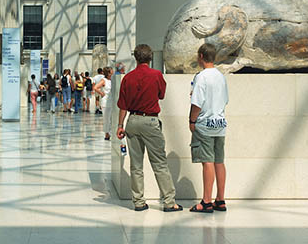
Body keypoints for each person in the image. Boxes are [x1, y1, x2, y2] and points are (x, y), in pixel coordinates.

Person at [116, 44, 182, 212]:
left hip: (132, 121)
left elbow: (123, 105)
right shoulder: (156, 75)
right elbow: (161, 94)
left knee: (136, 165)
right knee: (159, 163)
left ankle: (138, 202)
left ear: (136, 58)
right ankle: (169, 202)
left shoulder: (128, 78)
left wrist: (119, 125)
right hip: (150, 122)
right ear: (150, 58)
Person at [188, 43, 228, 213]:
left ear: (201, 57)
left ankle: (206, 201)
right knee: (219, 161)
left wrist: (192, 120)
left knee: (208, 162)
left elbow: (196, 103)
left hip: (205, 124)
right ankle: (220, 199)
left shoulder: (202, 77)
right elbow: (225, 99)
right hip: (220, 124)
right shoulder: (221, 76)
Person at [96, 67, 113, 140]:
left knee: (112, 119)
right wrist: (101, 93)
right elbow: (95, 87)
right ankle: (106, 134)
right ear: (108, 73)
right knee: (106, 119)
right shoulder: (104, 80)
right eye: (111, 71)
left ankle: (111, 132)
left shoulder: (112, 80)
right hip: (105, 102)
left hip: (112, 101)